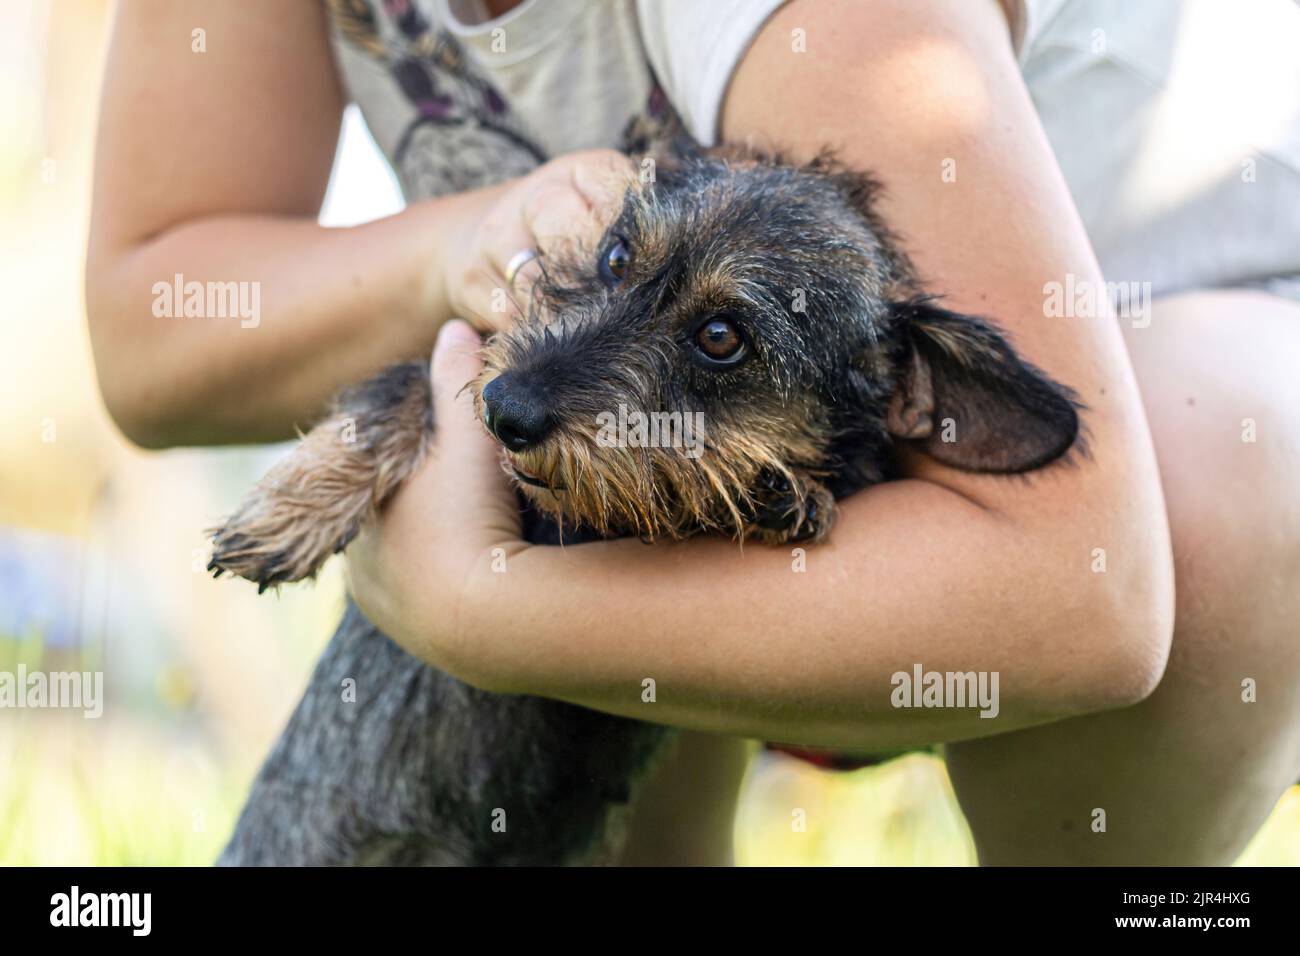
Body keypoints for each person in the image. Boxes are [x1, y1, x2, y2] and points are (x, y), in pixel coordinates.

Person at [86, 0, 1300, 865]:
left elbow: (1090, 599)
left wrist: (485, 607)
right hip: (799, 453)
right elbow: (151, 328)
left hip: (1167, 442)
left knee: (1219, 455)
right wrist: (455, 247)